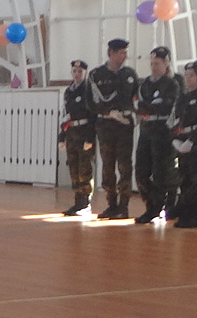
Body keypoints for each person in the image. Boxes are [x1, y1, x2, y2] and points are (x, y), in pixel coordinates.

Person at [89, 38, 138, 219]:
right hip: (106, 125)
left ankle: (123, 206)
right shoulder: (97, 75)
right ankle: (111, 204)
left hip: (124, 126)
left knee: (125, 166)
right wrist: (108, 112)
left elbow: (136, 98)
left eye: (125, 52)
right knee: (107, 166)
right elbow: (90, 102)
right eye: (121, 52)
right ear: (111, 53)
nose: (124, 56)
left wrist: (134, 114)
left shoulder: (130, 74)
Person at [132, 46, 181, 224]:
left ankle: (158, 207)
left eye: (157, 63)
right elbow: (136, 104)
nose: (153, 67)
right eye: (152, 63)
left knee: (161, 173)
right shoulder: (145, 84)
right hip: (146, 130)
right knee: (141, 172)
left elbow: (166, 107)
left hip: (163, 131)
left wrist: (147, 107)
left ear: (166, 64)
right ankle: (151, 203)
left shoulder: (172, 84)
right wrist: (148, 107)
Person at [167, 60, 197, 229]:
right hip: (182, 142)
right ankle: (184, 213)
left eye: (192, 75)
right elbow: (174, 120)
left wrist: (191, 140)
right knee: (185, 180)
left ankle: (193, 216)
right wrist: (175, 139)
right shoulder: (183, 98)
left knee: (196, 182)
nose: (188, 79)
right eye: (186, 75)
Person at [58, 60, 96, 216]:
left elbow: (92, 116)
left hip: (84, 132)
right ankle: (77, 202)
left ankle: (86, 203)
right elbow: (65, 116)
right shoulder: (68, 91)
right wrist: (62, 137)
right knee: (73, 168)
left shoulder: (88, 90)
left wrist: (90, 138)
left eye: (80, 71)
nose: (77, 74)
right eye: (74, 71)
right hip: (71, 133)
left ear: (85, 73)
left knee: (84, 169)